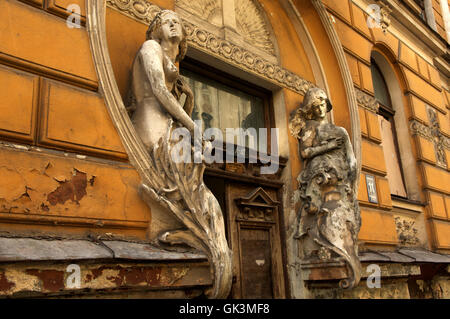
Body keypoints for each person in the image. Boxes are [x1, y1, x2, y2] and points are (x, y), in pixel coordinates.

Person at [291, 87, 361, 288]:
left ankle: (341, 251)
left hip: (340, 179)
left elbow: (352, 159)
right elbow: (305, 153)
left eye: (323, 103)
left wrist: (351, 184)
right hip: (318, 176)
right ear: (311, 109)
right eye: (316, 105)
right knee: (323, 211)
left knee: (339, 212)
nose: (320, 108)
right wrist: (328, 147)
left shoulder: (340, 131)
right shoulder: (310, 129)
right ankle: (323, 248)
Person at [127, 9, 194, 150]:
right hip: (149, 121)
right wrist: (192, 126)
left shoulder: (172, 66)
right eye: (166, 22)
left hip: (168, 123)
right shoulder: (151, 47)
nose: (172, 24)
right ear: (156, 31)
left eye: (176, 22)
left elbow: (179, 115)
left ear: (183, 32)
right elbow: (159, 89)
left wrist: (190, 98)